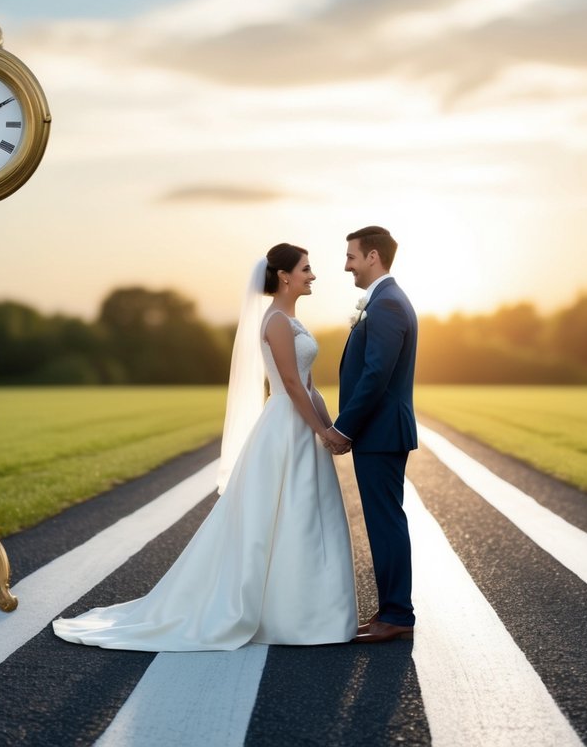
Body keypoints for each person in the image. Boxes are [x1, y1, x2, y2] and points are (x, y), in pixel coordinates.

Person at [52, 244, 358, 650]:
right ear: (284, 275)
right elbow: (288, 385)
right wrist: (321, 430)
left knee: (304, 512)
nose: (313, 275)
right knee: (281, 513)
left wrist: (329, 425)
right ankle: (284, 614)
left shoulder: (292, 319)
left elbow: (309, 384)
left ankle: (306, 611)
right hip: (286, 427)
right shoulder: (277, 322)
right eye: (306, 268)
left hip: (302, 425)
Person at [322, 226, 419, 644]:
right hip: (379, 432)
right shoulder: (382, 301)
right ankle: (390, 608)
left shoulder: (388, 305)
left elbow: (377, 373)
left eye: (351, 256)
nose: (347, 265)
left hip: (381, 432)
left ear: (373, 257)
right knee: (383, 521)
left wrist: (344, 427)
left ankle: (397, 613)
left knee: (385, 522)